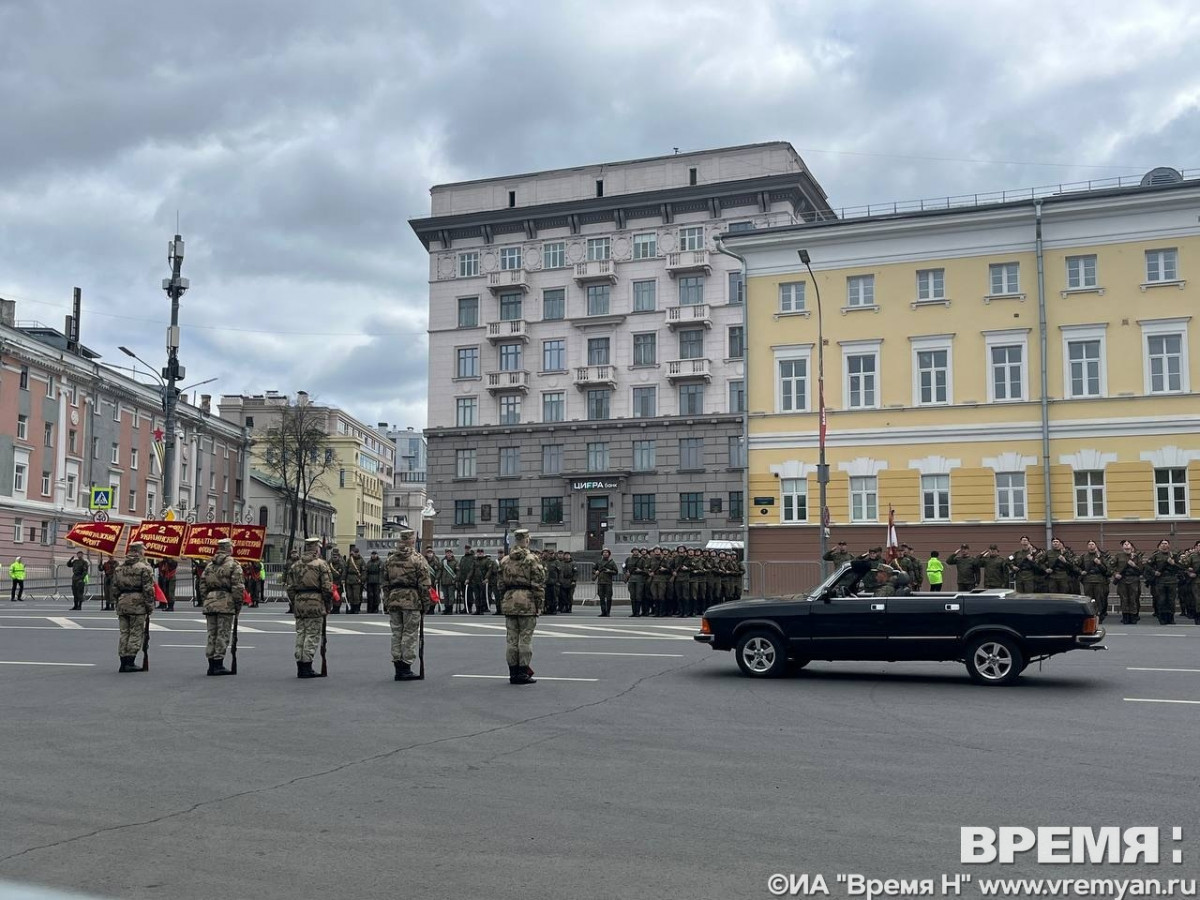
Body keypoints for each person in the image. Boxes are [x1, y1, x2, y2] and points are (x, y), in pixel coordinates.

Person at [498, 529, 545, 685]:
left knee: (511, 640)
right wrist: (539, 604)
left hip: (510, 600)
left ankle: (513, 673)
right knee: (525, 639)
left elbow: (500, 584)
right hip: (527, 601)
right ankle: (523, 673)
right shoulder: (532, 559)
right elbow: (538, 584)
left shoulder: (505, 560)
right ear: (527, 540)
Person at [384, 530, 431, 681]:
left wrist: (386, 601)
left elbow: (384, 583)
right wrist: (425, 604)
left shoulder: (390, 559)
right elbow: (424, 584)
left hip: (394, 599)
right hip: (411, 600)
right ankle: (406, 667)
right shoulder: (417, 559)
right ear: (412, 540)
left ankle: (398, 666)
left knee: (396, 633)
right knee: (409, 634)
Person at [288, 537, 334, 678]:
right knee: (312, 634)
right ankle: (307, 665)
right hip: (315, 601)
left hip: (300, 602)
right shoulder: (321, 564)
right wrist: (328, 603)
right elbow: (327, 587)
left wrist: (295, 601)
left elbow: (290, 588)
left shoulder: (295, 565)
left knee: (301, 633)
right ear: (316, 549)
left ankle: (300, 665)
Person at [199, 538, 244, 676]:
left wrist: (207, 599)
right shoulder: (234, 565)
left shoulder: (209, 565)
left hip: (210, 602)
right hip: (226, 602)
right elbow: (238, 587)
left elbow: (202, 585)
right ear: (228, 548)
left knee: (211, 633)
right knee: (223, 634)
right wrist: (238, 605)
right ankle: (218, 663)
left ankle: (211, 664)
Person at [111, 542, 154, 673]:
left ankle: (123, 661)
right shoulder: (144, 567)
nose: (144, 553)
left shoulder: (119, 568)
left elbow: (114, 588)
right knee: (136, 632)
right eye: (143, 550)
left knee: (124, 632)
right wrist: (149, 605)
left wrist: (118, 600)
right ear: (139, 551)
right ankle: (130, 661)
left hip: (122, 601)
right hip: (137, 603)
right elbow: (148, 589)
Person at [1147, 540, 1182, 625]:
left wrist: (1173, 564)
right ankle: (1162, 618)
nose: (1164, 545)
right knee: (1161, 600)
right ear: (1159, 546)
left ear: (1169, 546)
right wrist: (1154, 572)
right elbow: (1147, 566)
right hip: (1160, 580)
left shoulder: (1174, 556)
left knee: (1171, 600)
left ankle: (1170, 618)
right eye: (1162, 544)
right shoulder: (1155, 556)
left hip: (1172, 580)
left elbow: (1181, 568)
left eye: (1166, 543)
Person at [1111, 540, 1143, 625]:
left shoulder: (1137, 557)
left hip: (1133, 580)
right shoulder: (1118, 556)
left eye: (1128, 544)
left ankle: (1133, 617)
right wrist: (1115, 574)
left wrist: (1134, 566)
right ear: (1122, 547)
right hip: (1122, 580)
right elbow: (1111, 567)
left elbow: (1142, 570)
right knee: (1124, 599)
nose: (1126, 545)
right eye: (1124, 544)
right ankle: (1125, 617)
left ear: (1132, 547)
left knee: (1133, 599)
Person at [1079, 540, 1111, 621]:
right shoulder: (1083, 557)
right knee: (1088, 599)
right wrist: (1081, 572)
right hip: (1088, 580)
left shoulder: (1101, 557)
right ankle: (1089, 615)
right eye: (1089, 544)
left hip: (1099, 580)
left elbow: (1107, 570)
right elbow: (1076, 566)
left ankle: (1099, 615)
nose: (1091, 546)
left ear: (1096, 546)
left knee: (1099, 599)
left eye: (1092, 544)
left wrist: (1099, 564)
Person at [594, 548, 617, 617]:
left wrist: (609, 571)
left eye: (607, 552)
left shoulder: (611, 562)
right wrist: (596, 572)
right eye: (604, 552)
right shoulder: (599, 562)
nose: (605, 553)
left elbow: (616, 571)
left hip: (608, 582)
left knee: (609, 598)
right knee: (601, 597)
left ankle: (608, 612)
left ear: (609, 554)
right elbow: (594, 569)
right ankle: (603, 611)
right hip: (600, 582)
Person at [473, 547, 495, 614]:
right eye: (478, 551)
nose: (480, 553)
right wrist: (468, 578)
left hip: (483, 580)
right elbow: (472, 570)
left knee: (482, 596)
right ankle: (477, 609)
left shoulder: (487, 561)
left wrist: (486, 578)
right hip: (476, 580)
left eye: (481, 552)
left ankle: (482, 609)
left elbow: (489, 570)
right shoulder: (475, 561)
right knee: (476, 596)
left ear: (483, 553)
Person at [343, 546, 365, 614]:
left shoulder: (361, 560)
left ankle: (356, 609)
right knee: (349, 595)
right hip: (349, 579)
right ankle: (350, 608)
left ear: (358, 553)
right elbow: (345, 570)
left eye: (356, 552)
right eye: (354, 552)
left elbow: (364, 571)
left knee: (356, 595)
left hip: (356, 579)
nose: (355, 554)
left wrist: (362, 579)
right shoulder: (350, 560)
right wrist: (343, 579)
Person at [455, 545, 474, 615]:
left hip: (470, 580)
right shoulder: (463, 558)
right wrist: (458, 579)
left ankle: (469, 607)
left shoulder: (472, 558)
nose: (467, 550)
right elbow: (460, 569)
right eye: (466, 549)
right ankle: (465, 607)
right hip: (462, 579)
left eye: (468, 549)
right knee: (464, 594)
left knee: (469, 595)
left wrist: (468, 578)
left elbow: (472, 569)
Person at [438, 550, 458, 615]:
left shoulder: (455, 562)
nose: (449, 554)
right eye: (447, 553)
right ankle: (446, 608)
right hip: (444, 581)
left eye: (450, 553)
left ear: (452, 554)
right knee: (445, 596)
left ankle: (450, 609)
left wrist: (455, 579)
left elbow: (458, 572)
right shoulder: (443, 561)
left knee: (451, 596)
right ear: (446, 554)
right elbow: (440, 571)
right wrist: (437, 578)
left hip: (451, 581)